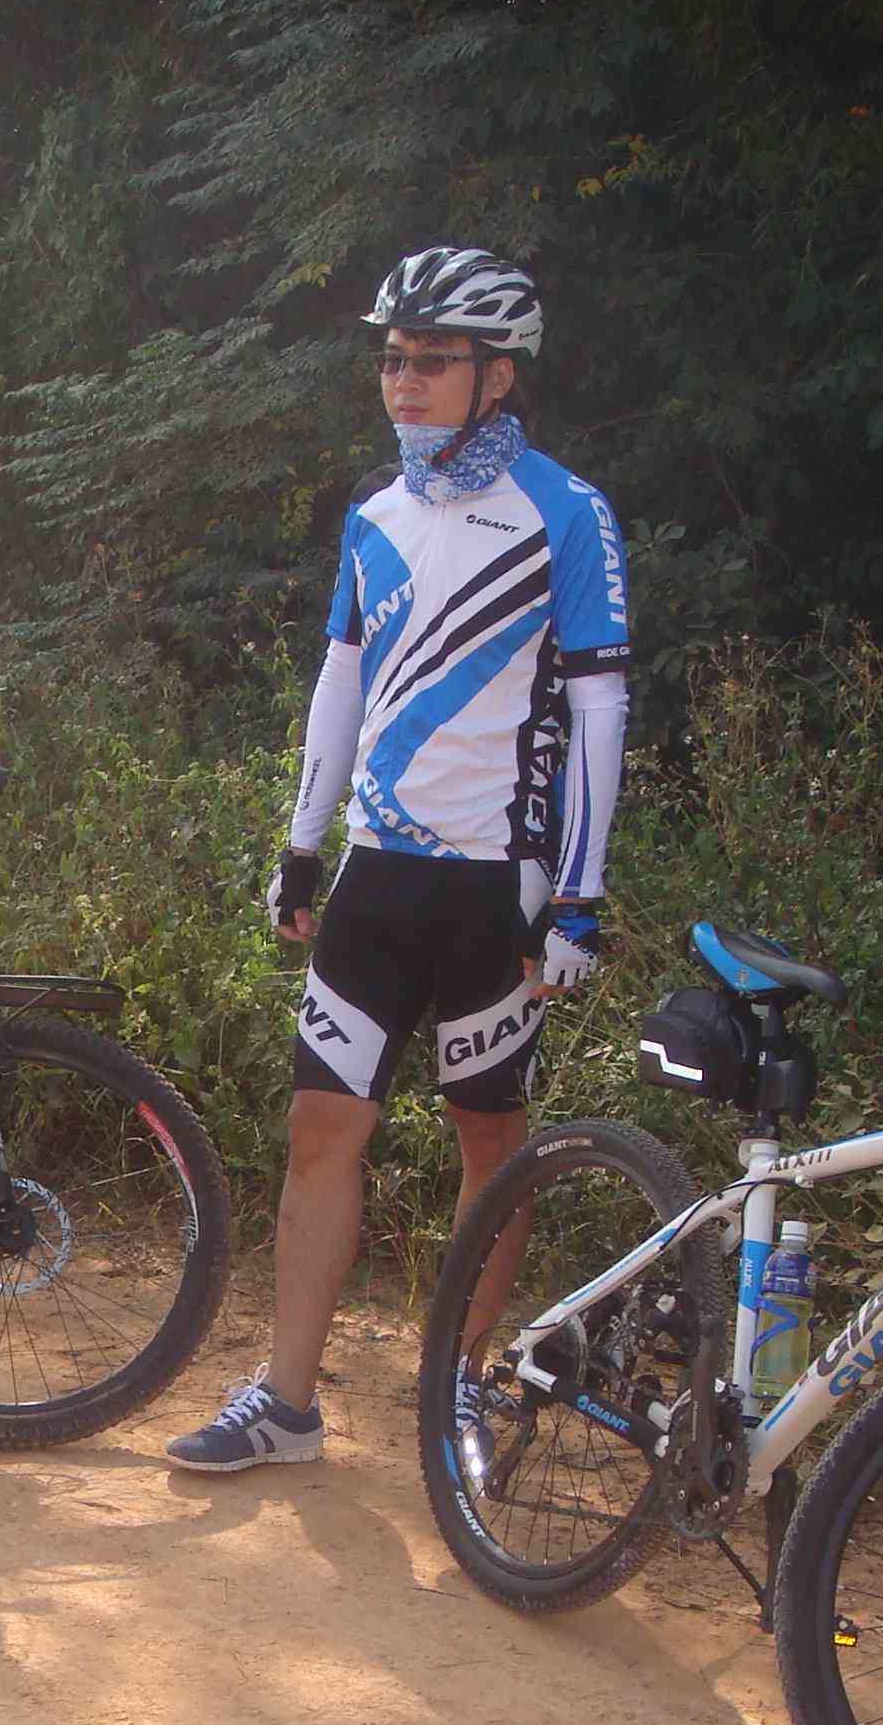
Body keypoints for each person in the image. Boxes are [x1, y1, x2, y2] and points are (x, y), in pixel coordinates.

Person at [165, 247, 632, 1473]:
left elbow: (600, 710)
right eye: (390, 358)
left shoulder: (567, 513)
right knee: (321, 1124)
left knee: (491, 1143)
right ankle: (287, 1403)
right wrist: (300, 844)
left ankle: (461, 1389)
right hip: (378, 871)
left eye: (432, 360)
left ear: (498, 374)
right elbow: (341, 681)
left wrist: (578, 899)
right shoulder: (374, 514)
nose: (403, 381)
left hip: (498, 884)